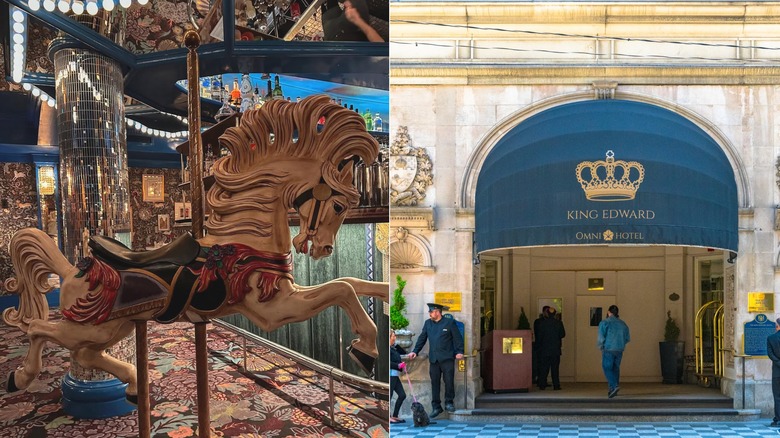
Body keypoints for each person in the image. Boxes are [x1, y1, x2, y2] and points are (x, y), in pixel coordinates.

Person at [407, 303, 464, 418]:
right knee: (435, 383)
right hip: (434, 359)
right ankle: (436, 406)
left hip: (447, 358)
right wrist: (415, 351)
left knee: (448, 381)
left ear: (437, 312)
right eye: (429, 311)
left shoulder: (449, 322)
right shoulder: (428, 323)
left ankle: (449, 402)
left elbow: (457, 338)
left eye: (431, 311)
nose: (430, 313)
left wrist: (459, 352)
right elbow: (422, 338)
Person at [597, 304, 630, 398]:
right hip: (619, 349)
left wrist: (600, 346)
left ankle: (614, 385)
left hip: (609, 348)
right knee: (615, 368)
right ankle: (612, 389)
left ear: (608, 312)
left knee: (607, 367)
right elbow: (627, 338)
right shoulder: (623, 324)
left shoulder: (605, 322)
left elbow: (601, 337)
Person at [536, 306, 566, 390]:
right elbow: (563, 334)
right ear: (555, 314)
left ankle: (542, 385)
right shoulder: (559, 323)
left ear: (547, 314)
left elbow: (539, 336)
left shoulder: (542, 324)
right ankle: (556, 385)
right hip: (555, 350)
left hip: (544, 349)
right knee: (555, 368)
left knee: (544, 368)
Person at [389, 329, 408, 424]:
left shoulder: (393, 348)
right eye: (393, 336)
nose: (395, 337)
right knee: (390, 396)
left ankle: (395, 415)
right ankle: (388, 417)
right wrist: (398, 366)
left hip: (395, 375)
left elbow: (404, 352)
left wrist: (395, 344)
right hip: (390, 375)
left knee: (402, 395)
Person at [767, 318, 780, 427]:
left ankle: (778, 419)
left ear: (777, 326)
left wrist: (778, 363)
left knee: (777, 396)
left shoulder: (771, 338)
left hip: (777, 371)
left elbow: (770, 354)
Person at [533, 306, 550, 388]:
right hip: (540, 347)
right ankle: (540, 381)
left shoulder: (549, 322)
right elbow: (538, 334)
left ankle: (543, 381)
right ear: (543, 312)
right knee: (540, 365)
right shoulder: (538, 322)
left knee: (546, 366)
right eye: (547, 311)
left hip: (547, 347)